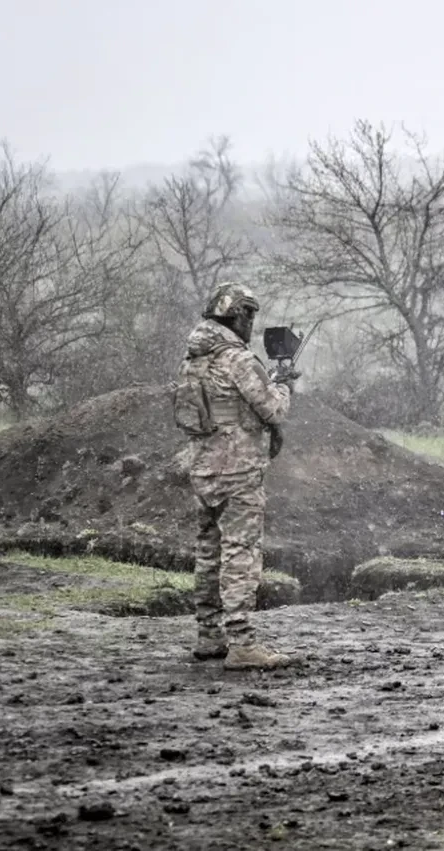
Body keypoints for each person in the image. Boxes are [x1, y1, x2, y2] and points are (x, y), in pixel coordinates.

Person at [173, 281, 299, 670]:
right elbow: (272, 411)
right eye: (250, 317)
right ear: (238, 315)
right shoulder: (239, 361)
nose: (252, 326)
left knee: (209, 554)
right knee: (240, 554)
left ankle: (209, 635)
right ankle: (242, 643)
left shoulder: (192, 360)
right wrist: (282, 386)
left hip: (203, 468)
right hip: (239, 470)